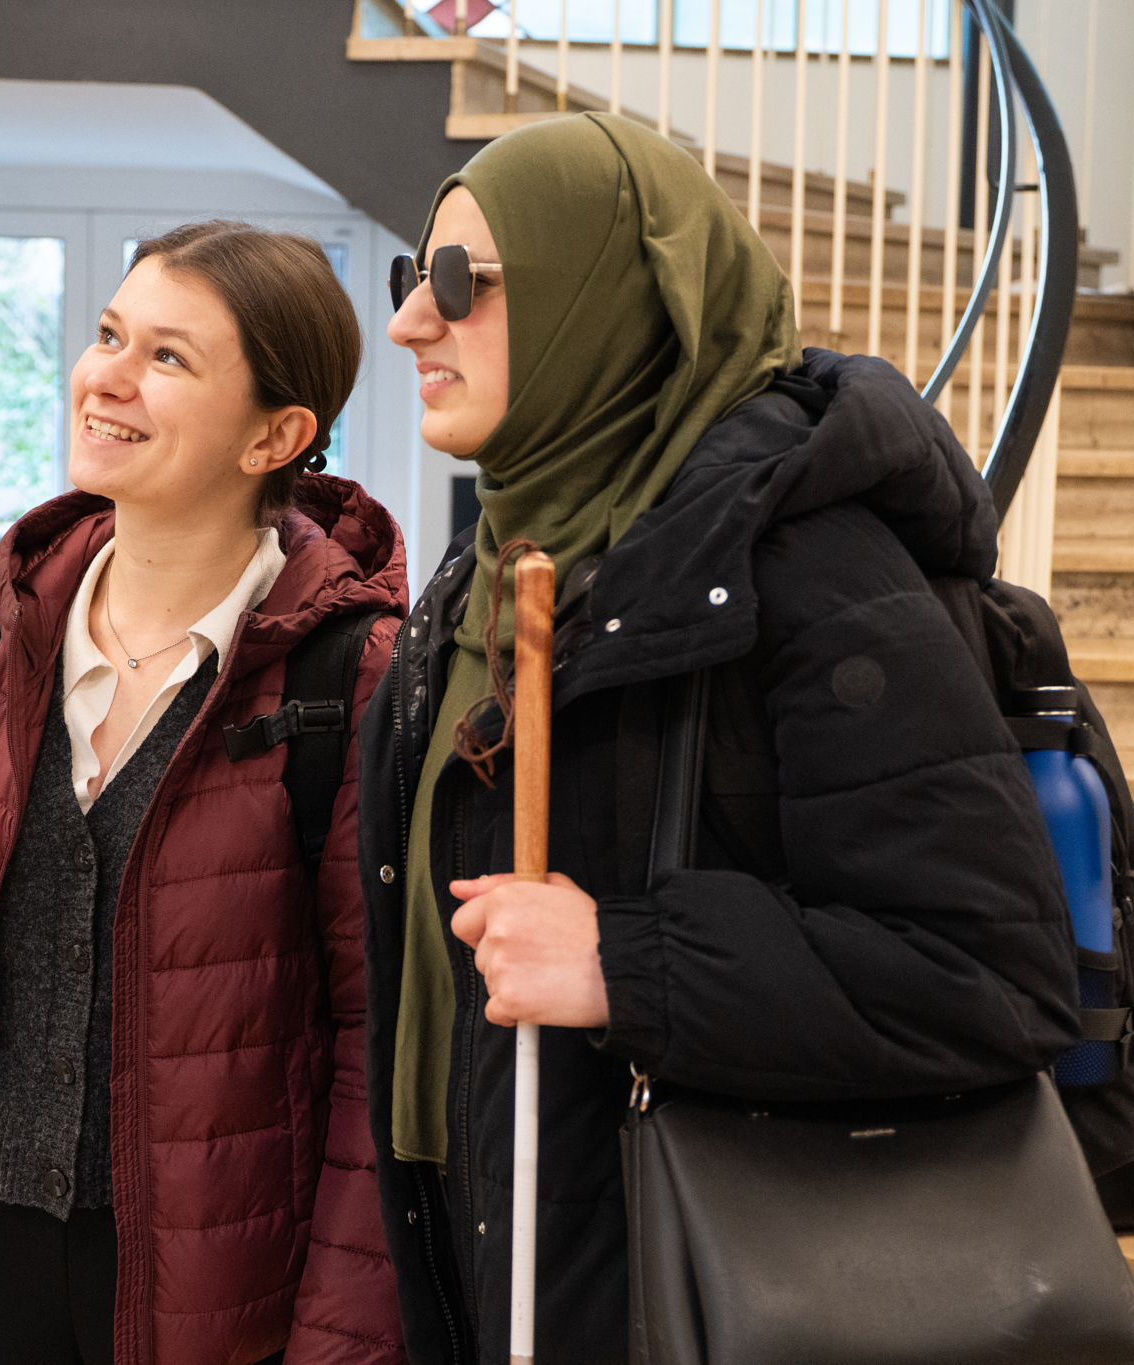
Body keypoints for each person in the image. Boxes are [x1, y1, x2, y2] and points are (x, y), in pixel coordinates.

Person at [355, 113, 1083, 1363]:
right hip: (500, 1264)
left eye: (463, 281)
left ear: (610, 299)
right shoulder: (488, 576)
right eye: (409, 277)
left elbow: (988, 976)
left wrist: (627, 961)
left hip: (696, 1289)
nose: (412, 321)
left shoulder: (809, 570)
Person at [0, 221, 409, 1365]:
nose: (105, 376)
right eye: (110, 335)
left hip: (218, 1298)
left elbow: (377, 1050)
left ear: (275, 435)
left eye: (167, 357)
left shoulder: (348, 680)